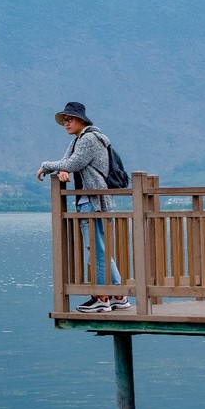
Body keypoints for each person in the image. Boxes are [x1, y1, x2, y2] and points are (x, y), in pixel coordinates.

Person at [36, 101, 130, 313]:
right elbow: (67, 162)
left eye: (70, 119)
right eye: (64, 120)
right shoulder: (79, 140)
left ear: (81, 120)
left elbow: (71, 164)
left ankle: (102, 298)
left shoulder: (88, 139)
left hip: (93, 202)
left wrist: (45, 166)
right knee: (100, 250)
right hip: (92, 201)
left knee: (95, 251)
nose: (66, 123)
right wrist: (62, 170)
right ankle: (118, 295)